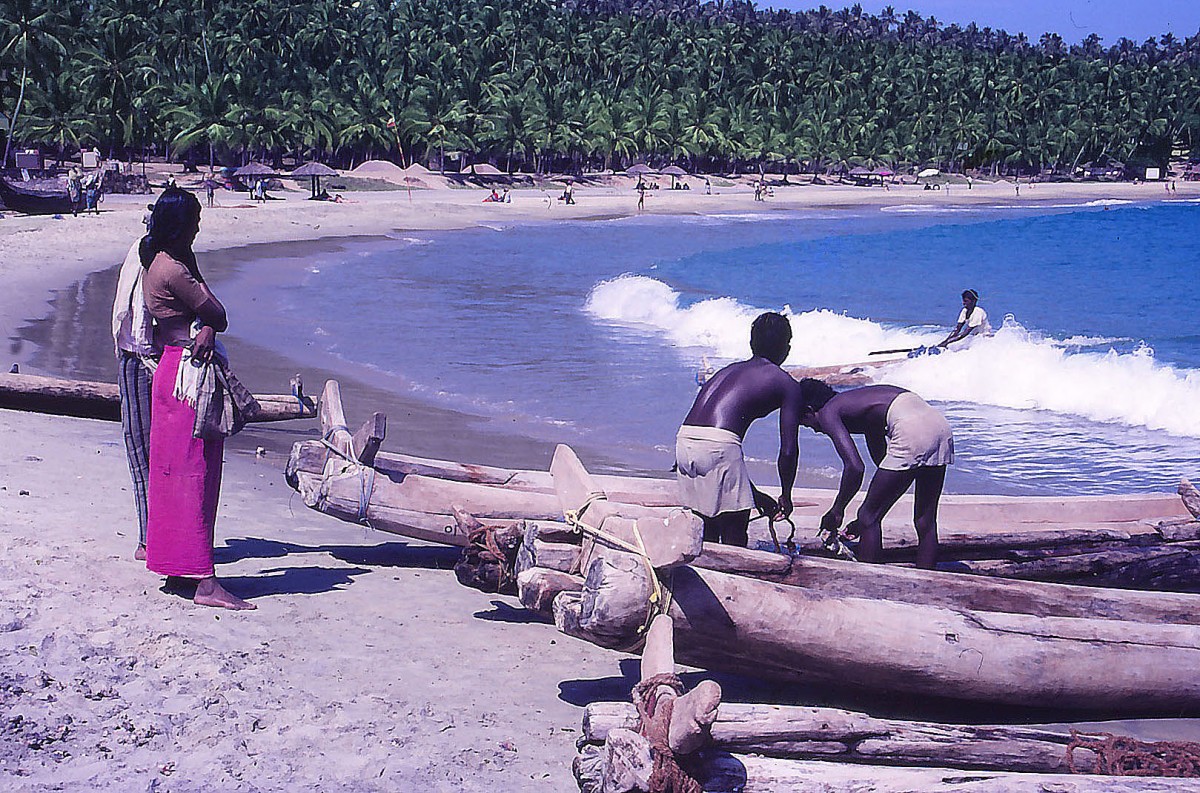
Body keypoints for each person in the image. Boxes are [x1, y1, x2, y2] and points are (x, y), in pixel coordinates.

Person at [140, 187, 255, 610]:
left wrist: (206, 325)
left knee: (171, 474)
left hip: (170, 372)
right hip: (189, 378)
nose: (199, 227)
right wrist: (209, 325)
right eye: (194, 222)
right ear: (179, 227)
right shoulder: (175, 269)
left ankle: (176, 569)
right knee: (198, 475)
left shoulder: (159, 260)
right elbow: (219, 312)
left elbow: (207, 316)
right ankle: (205, 583)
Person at [798, 380, 953, 569]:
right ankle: (928, 579)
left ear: (809, 410)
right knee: (925, 520)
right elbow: (883, 462)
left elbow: (855, 467)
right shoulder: (856, 405)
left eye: (806, 424)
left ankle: (870, 581)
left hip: (910, 430)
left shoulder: (829, 411)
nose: (815, 430)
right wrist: (874, 510)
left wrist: (838, 510)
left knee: (867, 516)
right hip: (940, 427)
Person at [676, 312, 800, 546]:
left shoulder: (727, 370)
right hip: (718, 446)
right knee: (734, 531)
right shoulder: (786, 383)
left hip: (685, 441)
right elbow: (788, 451)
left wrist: (756, 497)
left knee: (707, 529)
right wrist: (786, 495)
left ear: (752, 343)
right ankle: (735, 576)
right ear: (786, 347)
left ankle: (705, 577)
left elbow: (715, 449)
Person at [112, 234, 160, 560]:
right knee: (143, 451)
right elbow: (141, 321)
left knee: (143, 451)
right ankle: (148, 539)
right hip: (139, 359)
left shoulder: (143, 252)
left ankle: (150, 536)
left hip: (135, 356)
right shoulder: (151, 256)